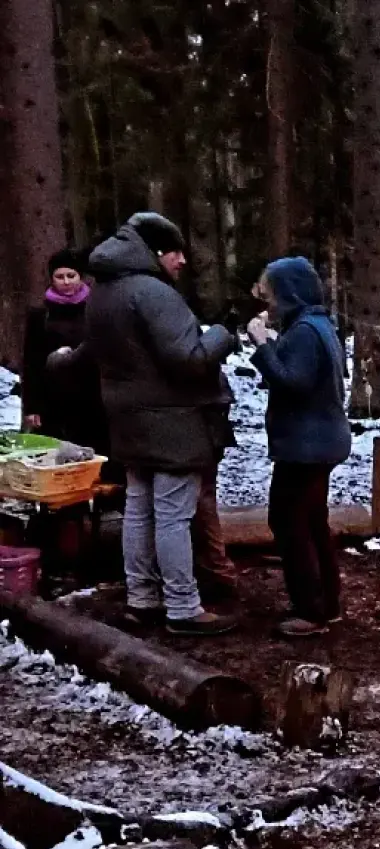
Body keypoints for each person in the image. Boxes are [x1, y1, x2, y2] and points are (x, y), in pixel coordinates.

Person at [53, 213, 238, 635]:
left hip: (128, 420)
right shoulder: (153, 293)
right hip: (172, 424)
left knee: (139, 509)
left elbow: (92, 353)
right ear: (156, 253)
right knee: (173, 515)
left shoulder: (103, 291)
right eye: (176, 253)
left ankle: (142, 598)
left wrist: (59, 363)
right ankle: (183, 607)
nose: (183, 262)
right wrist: (222, 335)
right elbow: (189, 361)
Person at [246, 257, 352, 638]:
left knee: (289, 522)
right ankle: (326, 603)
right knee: (312, 521)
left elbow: (294, 384)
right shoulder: (314, 324)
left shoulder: (306, 330)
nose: (265, 301)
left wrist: (261, 345)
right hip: (317, 441)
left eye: (269, 293)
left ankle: (311, 610)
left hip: (308, 446)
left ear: (289, 293)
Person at [22, 249, 112, 461]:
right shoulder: (40, 315)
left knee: (99, 455)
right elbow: (31, 362)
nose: (66, 282)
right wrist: (32, 406)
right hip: (54, 399)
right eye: (59, 276)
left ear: (80, 276)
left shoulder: (95, 308)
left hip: (93, 396)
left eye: (71, 276)